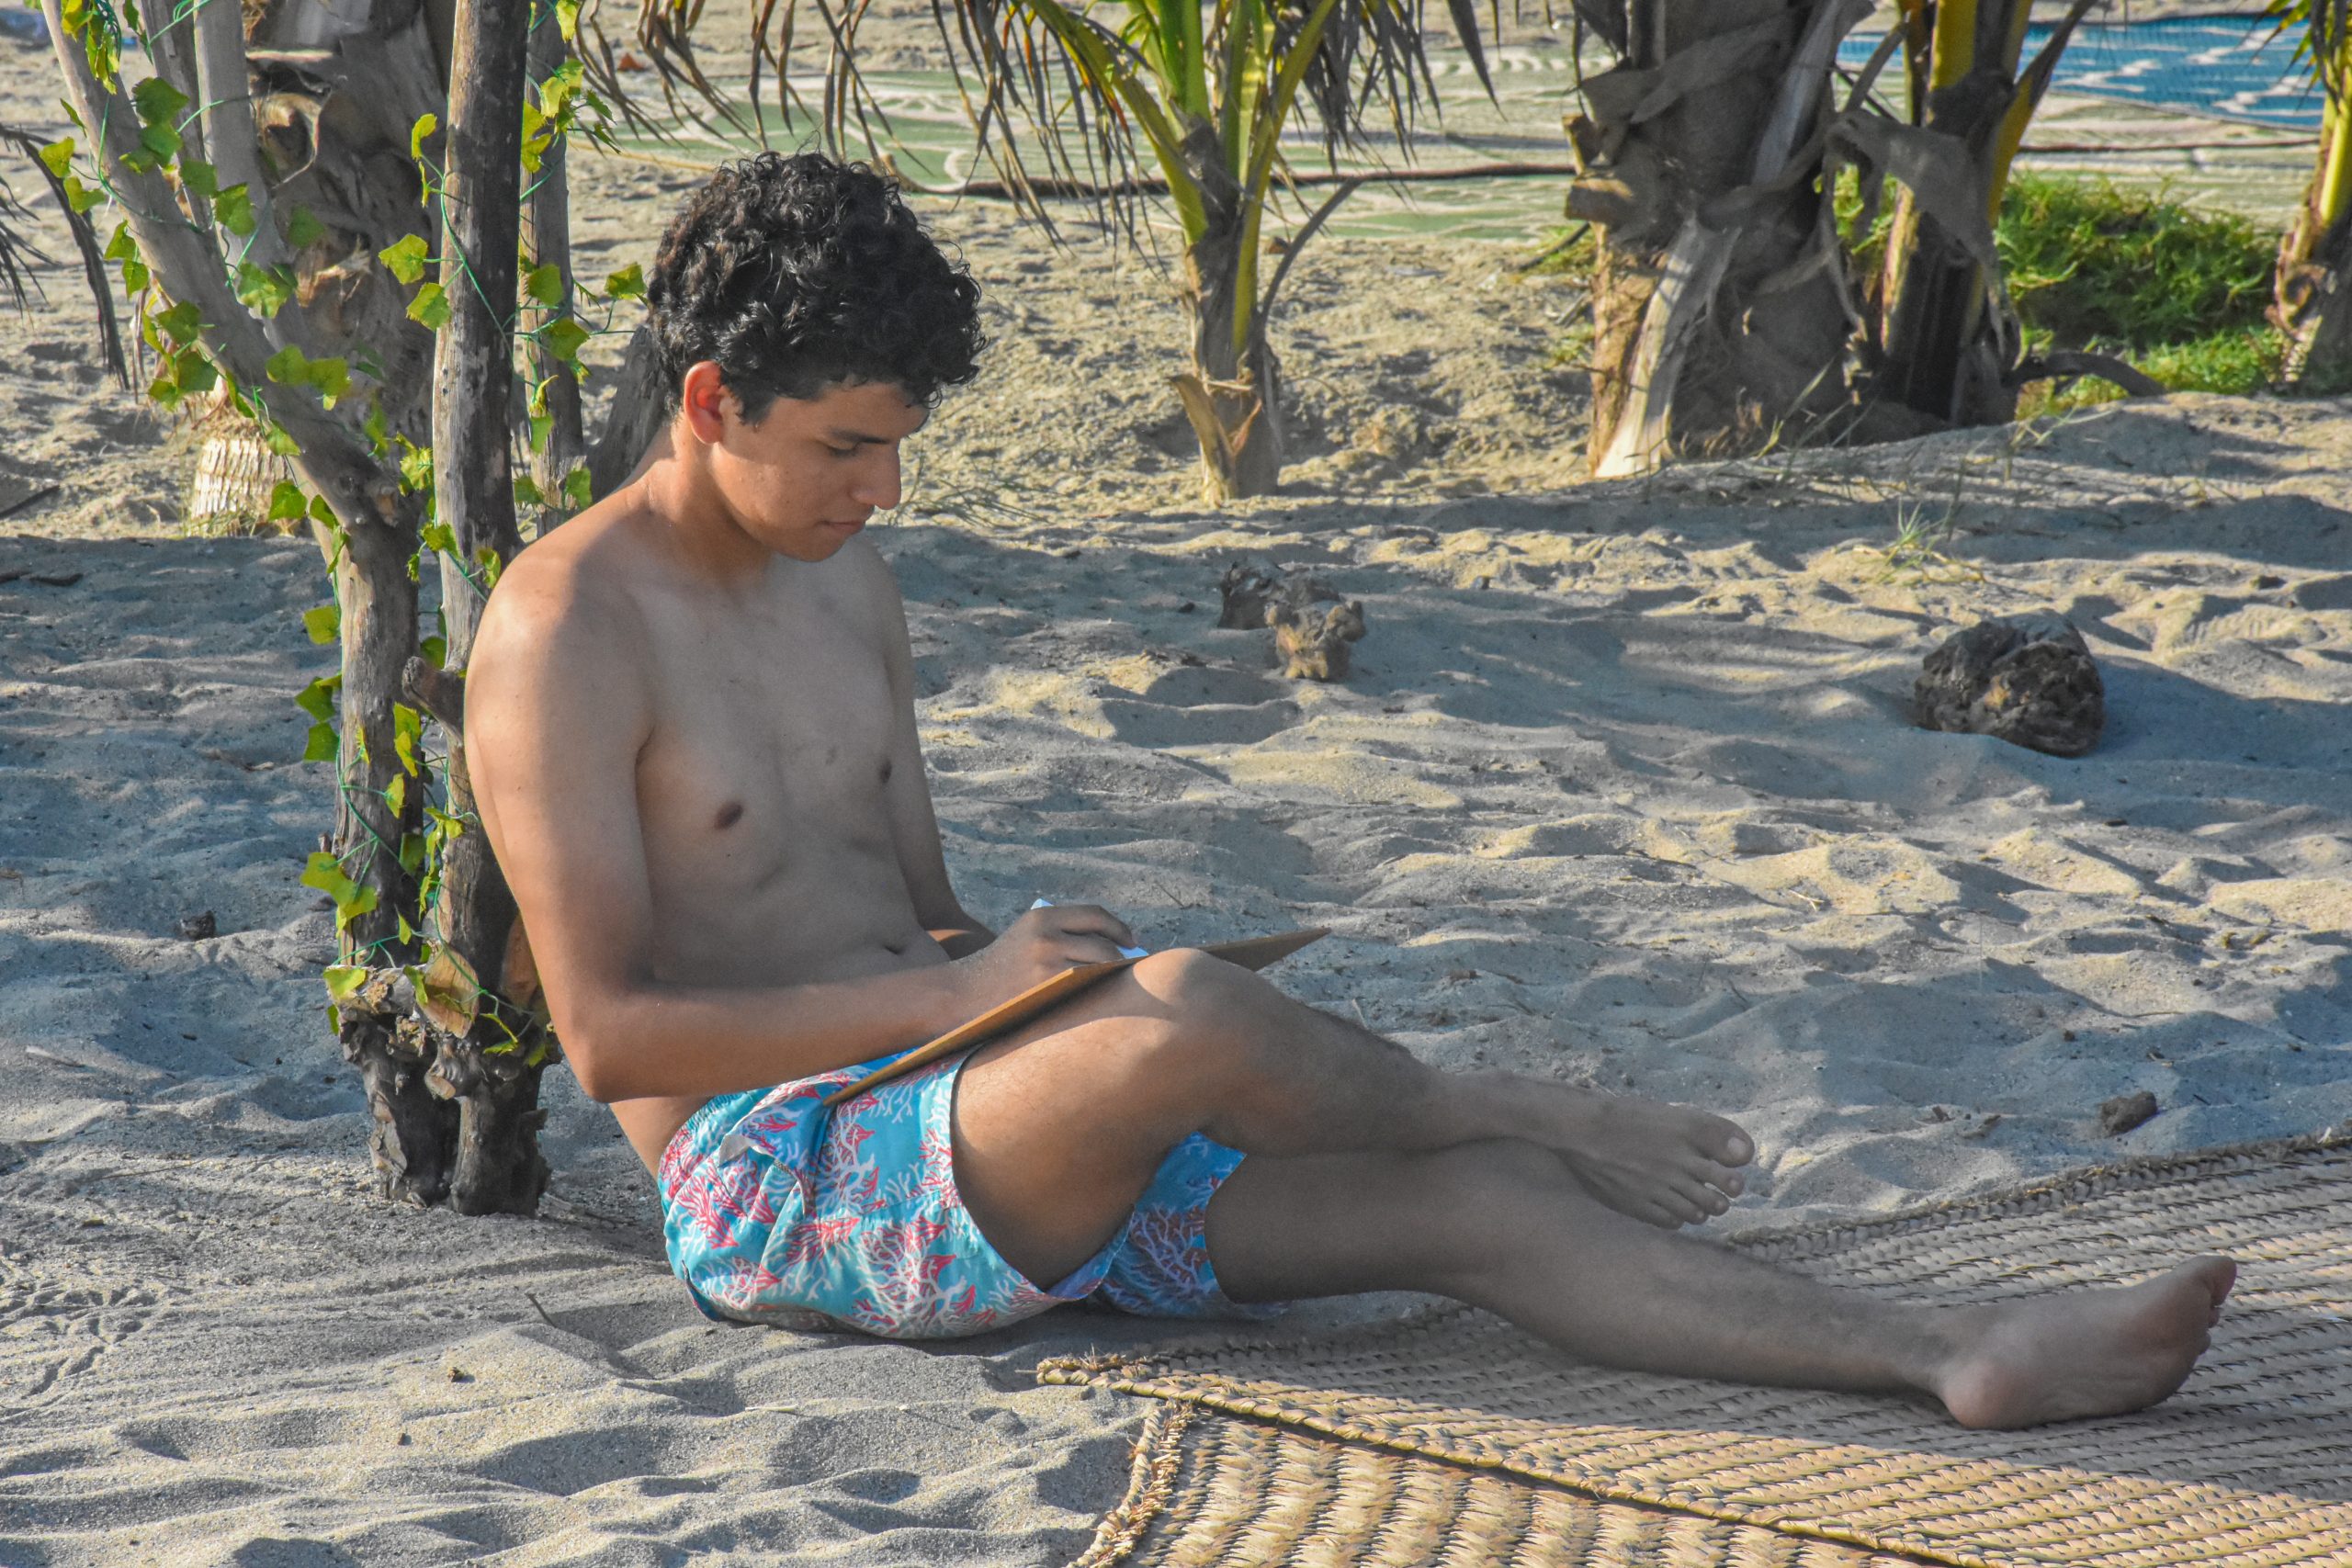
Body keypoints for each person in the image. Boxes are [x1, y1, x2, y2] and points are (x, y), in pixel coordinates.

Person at [465, 152, 2236, 1431]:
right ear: (712, 400)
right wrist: (978, 998)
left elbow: (923, 917)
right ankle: (1505, 1100)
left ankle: (1951, 1348)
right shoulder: (567, 631)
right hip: (787, 1184)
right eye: (846, 448)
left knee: (1480, 1205)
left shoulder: (847, 582)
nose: (883, 493)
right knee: (1194, 1013)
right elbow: (610, 1040)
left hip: (975, 1121)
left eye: (896, 449)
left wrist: (1021, 988)